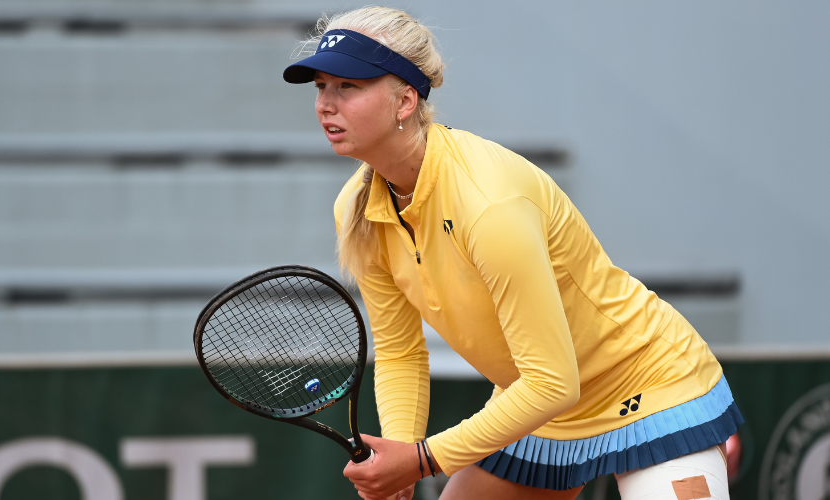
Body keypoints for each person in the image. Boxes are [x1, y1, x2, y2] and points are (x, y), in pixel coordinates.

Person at [283, 7, 743, 500]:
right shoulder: (356, 207)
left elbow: (552, 381)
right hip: (540, 408)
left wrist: (421, 460)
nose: (326, 104)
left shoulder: (489, 204)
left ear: (405, 101)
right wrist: (400, 450)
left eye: (347, 86)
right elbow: (400, 351)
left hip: (649, 388)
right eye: (321, 87)